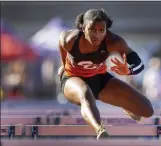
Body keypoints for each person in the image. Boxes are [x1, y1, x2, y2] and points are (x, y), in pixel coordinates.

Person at [58, 8, 154, 139]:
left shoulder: (114, 41)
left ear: (106, 31)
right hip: (72, 79)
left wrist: (128, 70)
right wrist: (63, 65)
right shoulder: (69, 39)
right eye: (91, 29)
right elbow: (61, 45)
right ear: (83, 27)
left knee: (146, 110)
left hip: (99, 79)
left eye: (101, 31)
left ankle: (124, 106)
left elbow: (139, 64)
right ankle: (99, 130)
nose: (96, 35)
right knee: (85, 93)